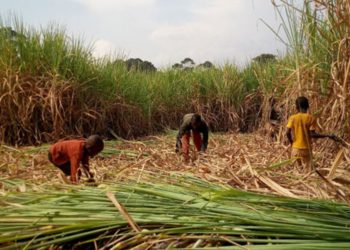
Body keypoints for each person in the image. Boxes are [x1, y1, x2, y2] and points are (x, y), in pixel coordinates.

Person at [286, 96, 337, 172]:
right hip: (306, 149)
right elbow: (312, 134)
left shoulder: (292, 118)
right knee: (308, 172)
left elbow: (287, 132)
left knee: (296, 172)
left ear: (296, 107)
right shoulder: (310, 118)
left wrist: (291, 142)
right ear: (308, 106)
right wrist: (328, 135)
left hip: (295, 148)